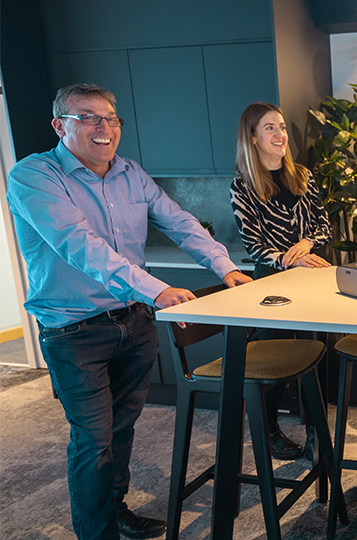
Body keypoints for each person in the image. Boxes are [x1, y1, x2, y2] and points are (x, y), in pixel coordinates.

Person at [6, 83, 252, 540]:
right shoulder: (34, 177)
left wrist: (225, 266)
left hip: (133, 322)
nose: (104, 127)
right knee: (93, 441)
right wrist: (158, 290)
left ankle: (116, 509)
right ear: (60, 125)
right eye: (89, 117)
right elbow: (79, 246)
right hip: (74, 331)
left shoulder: (130, 173)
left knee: (122, 429)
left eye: (111, 118)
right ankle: (97, 534)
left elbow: (179, 221)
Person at [230, 102, 332, 460]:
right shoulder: (243, 186)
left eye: (283, 127)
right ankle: (270, 429)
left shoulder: (303, 176)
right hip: (271, 286)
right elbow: (254, 246)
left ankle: (314, 431)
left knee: (313, 356)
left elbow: (323, 226)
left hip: (313, 281)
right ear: (253, 138)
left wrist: (307, 244)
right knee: (273, 360)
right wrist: (290, 259)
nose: (280, 135)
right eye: (270, 128)